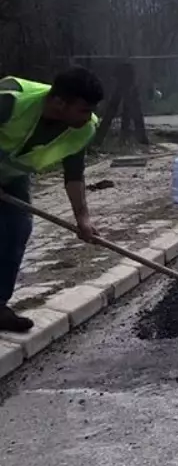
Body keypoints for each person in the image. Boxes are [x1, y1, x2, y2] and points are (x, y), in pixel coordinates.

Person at [0, 67, 104, 332]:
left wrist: (83, 218)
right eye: (83, 109)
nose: (88, 116)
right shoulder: (11, 102)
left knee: (17, 228)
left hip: (10, 176)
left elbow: (74, 175)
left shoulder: (83, 128)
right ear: (59, 101)